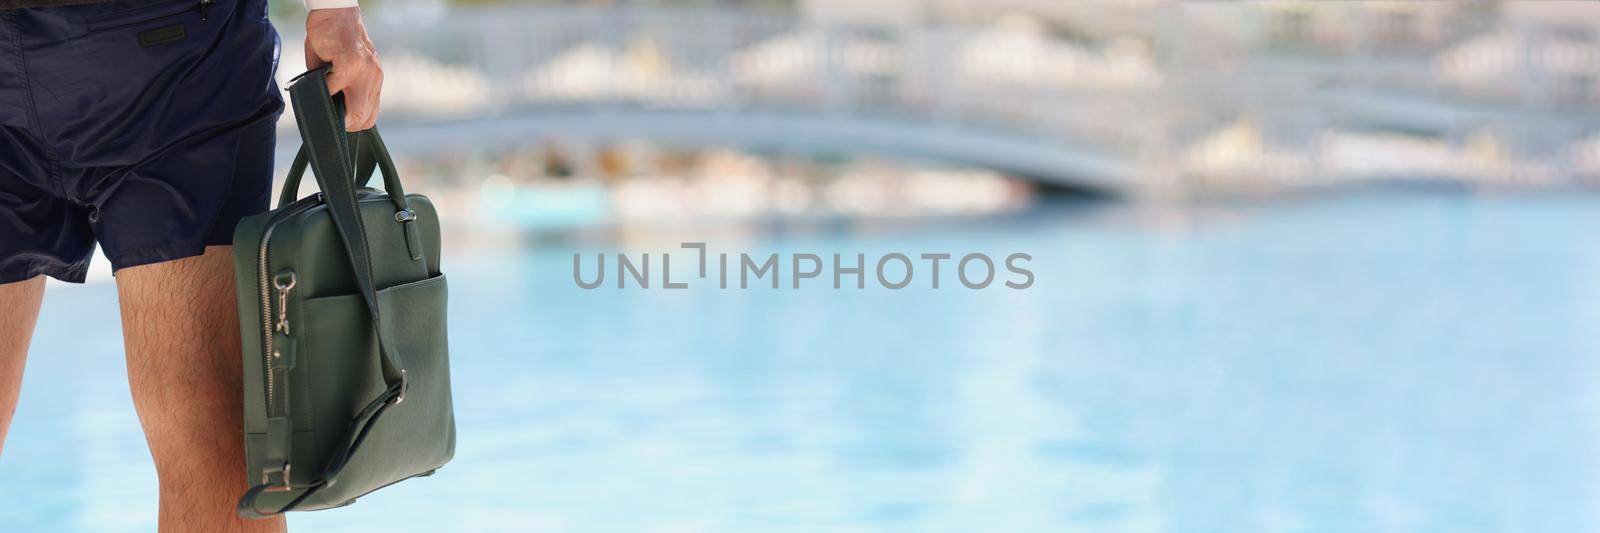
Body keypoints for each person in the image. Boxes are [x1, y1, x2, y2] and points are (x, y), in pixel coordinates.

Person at [0, 0, 382, 530]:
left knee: (206, 418)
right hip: (168, 50)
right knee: (205, 417)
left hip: (167, 51)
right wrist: (334, 9)